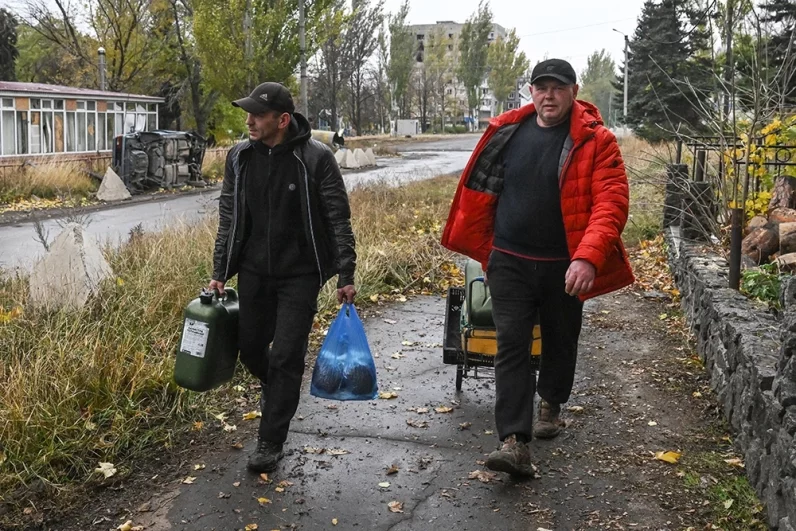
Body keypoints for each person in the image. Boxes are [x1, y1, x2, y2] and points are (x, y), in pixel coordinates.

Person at [441, 59, 634, 477]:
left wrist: (587, 256)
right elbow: (483, 193)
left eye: (558, 88)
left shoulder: (597, 142)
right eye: (541, 87)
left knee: (560, 340)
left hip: (564, 266)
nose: (549, 96)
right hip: (509, 259)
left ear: (574, 91)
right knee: (511, 345)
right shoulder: (507, 133)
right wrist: (487, 252)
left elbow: (611, 203)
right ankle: (514, 441)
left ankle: (551, 400)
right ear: (531, 91)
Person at [209, 82, 356, 473]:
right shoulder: (240, 158)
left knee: (287, 356)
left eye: (258, 114)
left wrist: (346, 272)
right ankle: (277, 391)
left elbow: (337, 217)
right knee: (251, 348)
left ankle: (270, 441)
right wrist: (219, 272)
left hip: (300, 275)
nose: (249, 120)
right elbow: (229, 218)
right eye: (248, 113)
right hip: (255, 273)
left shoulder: (316, 158)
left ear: (283, 120)